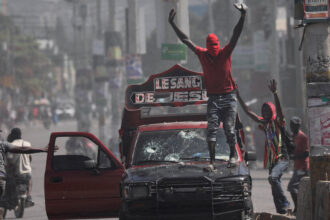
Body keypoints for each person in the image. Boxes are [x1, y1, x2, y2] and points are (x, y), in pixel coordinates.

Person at [168, 3, 247, 169]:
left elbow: (235, 35)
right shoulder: (202, 54)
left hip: (229, 96)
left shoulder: (225, 53)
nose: (214, 51)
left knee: (229, 129)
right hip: (213, 98)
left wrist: (243, 16)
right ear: (207, 46)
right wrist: (172, 24)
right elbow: (185, 40)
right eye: (211, 48)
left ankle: (232, 155)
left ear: (218, 46)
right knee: (211, 131)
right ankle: (212, 161)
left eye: (215, 47)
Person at [237, 79, 290, 214]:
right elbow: (249, 112)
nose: (265, 112)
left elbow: (279, 110)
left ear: (272, 111)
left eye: (268, 110)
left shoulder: (278, 122)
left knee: (272, 178)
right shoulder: (265, 124)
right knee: (273, 185)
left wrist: (275, 93)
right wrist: (237, 95)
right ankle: (281, 211)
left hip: (282, 158)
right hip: (272, 161)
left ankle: (285, 201)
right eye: (263, 110)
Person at [0, 129, 49, 217]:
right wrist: (42, 150)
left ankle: (6, 203)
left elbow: (11, 159)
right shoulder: (5, 144)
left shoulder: (8, 144)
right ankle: (28, 197)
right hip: (22, 174)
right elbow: (26, 153)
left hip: (12, 174)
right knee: (29, 179)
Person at [6, 128, 34, 206]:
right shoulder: (28, 144)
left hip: (17, 172)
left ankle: (8, 197)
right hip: (28, 172)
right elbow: (30, 158)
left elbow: (9, 160)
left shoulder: (11, 145)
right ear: (20, 135)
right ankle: (29, 196)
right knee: (30, 180)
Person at [287, 116, 309, 215]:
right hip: (296, 166)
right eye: (292, 125)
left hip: (303, 166)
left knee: (292, 187)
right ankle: (300, 207)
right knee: (297, 188)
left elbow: (306, 153)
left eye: (295, 125)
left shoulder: (303, 137)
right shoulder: (291, 136)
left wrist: (295, 157)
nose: (293, 127)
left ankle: (298, 207)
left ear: (298, 126)